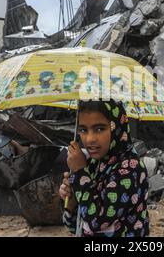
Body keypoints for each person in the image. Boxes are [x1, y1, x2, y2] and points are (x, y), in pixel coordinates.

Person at [59, 100, 149, 237]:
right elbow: (76, 226)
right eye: (83, 130)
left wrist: (79, 173)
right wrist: (71, 203)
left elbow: (97, 222)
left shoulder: (131, 168)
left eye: (99, 129)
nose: (89, 139)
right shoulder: (94, 163)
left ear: (117, 127)